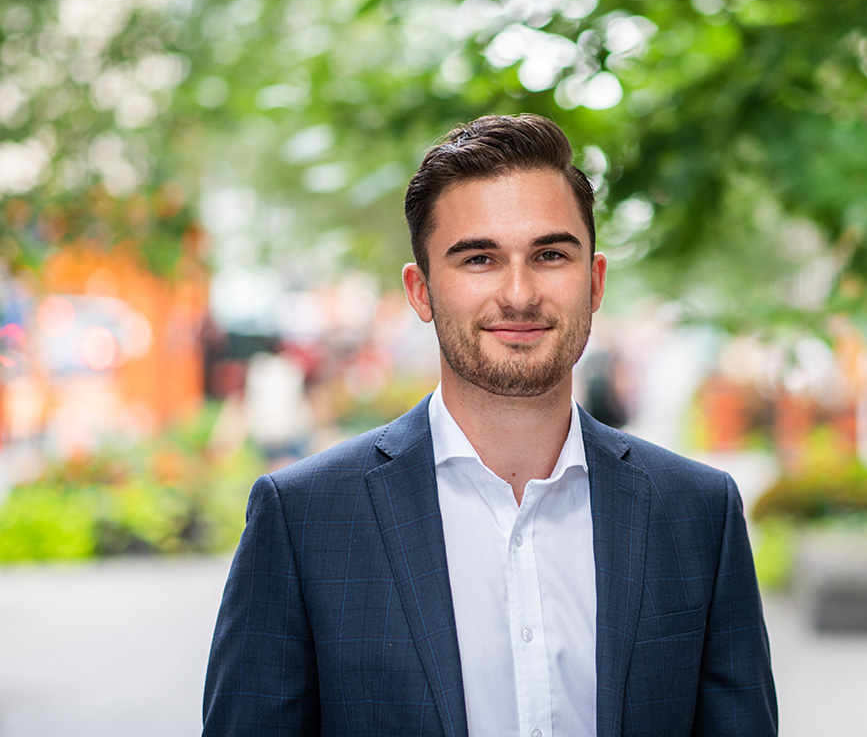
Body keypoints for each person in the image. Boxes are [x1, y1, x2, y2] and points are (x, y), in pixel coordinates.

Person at [203, 114, 778, 737]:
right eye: (479, 258)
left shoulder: (697, 512)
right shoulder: (303, 519)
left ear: (594, 281)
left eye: (550, 254)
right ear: (421, 292)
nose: (520, 293)